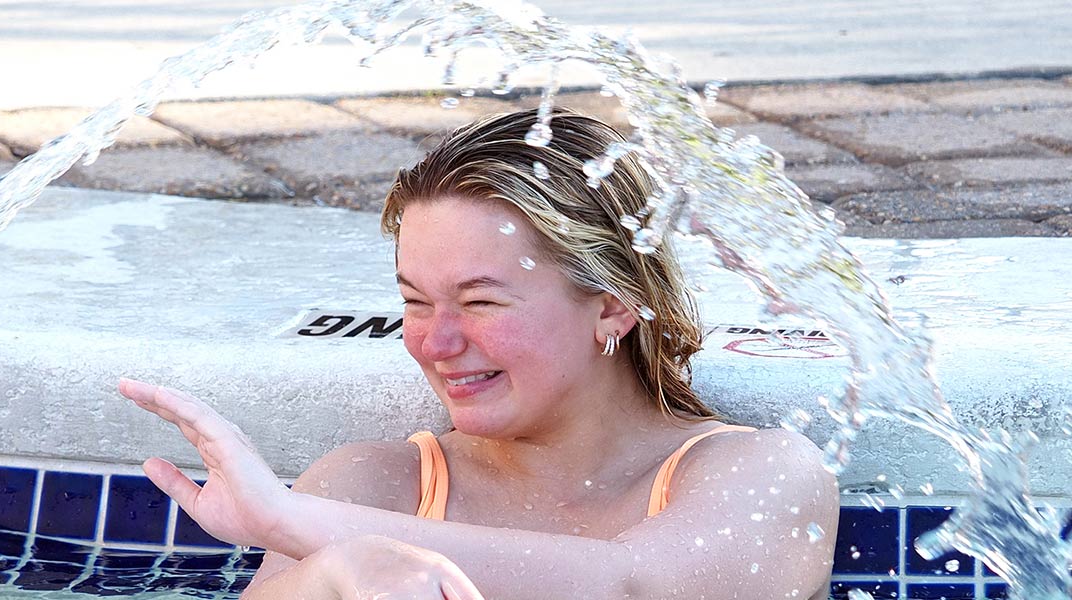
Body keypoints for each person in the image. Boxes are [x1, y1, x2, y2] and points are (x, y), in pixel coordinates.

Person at [121, 109, 838, 599]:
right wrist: (329, 575)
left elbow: (631, 586)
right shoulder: (373, 487)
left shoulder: (761, 476)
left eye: (481, 301)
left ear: (614, 304)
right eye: (415, 300)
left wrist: (291, 524)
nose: (436, 342)